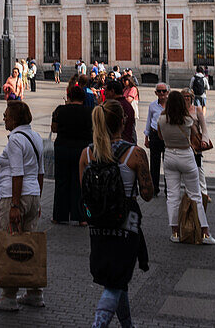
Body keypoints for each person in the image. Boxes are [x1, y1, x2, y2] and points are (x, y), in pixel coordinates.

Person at [79, 100, 154, 328]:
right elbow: (148, 193)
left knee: (116, 278)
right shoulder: (135, 154)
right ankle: (98, 325)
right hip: (126, 221)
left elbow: (84, 191)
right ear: (123, 121)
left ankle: (127, 325)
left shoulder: (87, 154)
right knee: (115, 281)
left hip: (98, 223)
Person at [0, 100, 44, 311]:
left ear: (15, 118)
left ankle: (8, 295)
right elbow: (40, 172)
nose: (4, 118)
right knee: (29, 245)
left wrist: (15, 205)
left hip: (14, 196)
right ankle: (34, 292)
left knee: (9, 243)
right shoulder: (36, 136)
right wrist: (37, 199)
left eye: (6, 115)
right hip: (33, 194)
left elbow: (17, 173)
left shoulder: (15, 141)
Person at [158, 87, 215, 244]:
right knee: (195, 194)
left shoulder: (162, 119)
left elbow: (160, 136)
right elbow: (194, 134)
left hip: (169, 155)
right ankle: (204, 232)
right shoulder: (188, 120)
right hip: (186, 155)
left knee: (172, 196)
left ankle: (175, 232)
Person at [50, 83, 92, 225]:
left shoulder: (60, 110)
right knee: (80, 182)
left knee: (61, 182)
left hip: (62, 147)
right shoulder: (89, 111)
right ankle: (81, 217)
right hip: (82, 150)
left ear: (69, 96)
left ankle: (59, 216)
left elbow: (54, 129)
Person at [144, 84, 168, 194]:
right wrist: (146, 137)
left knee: (167, 163)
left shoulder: (171, 106)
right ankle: (154, 188)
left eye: (164, 91)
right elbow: (149, 121)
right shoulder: (152, 105)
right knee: (154, 163)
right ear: (156, 93)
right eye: (159, 91)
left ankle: (169, 189)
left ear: (167, 92)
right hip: (154, 135)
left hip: (168, 136)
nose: (161, 93)